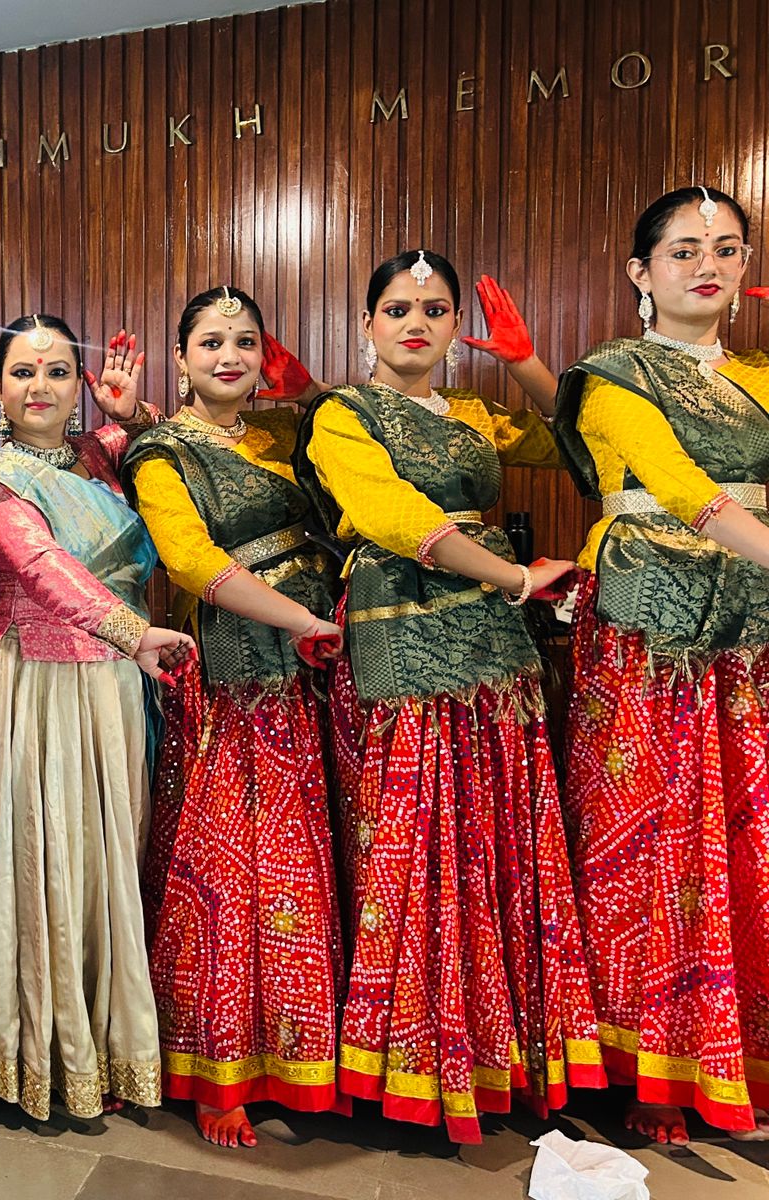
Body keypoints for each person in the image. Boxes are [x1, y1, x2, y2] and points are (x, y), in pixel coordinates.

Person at [293, 249, 604, 1143]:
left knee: (495, 832)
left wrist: (525, 365)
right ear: (365, 325)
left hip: (494, 641)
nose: (416, 323)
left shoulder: (477, 414)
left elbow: (577, 449)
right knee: (418, 840)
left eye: (434, 308)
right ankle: (415, 1066)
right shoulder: (341, 416)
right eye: (396, 308)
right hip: (402, 628)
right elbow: (393, 517)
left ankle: (501, 1052)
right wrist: (514, 575)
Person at [0, 314, 194, 1122]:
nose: (40, 386)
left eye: (56, 370)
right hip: (28, 687)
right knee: (31, 860)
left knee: (100, 860)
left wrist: (138, 415)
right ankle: (21, 1051)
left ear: (77, 382)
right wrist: (134, 631)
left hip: (112, 687)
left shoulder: (99, 457)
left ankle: (104, 1037)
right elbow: (43, 569)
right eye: (22, 372)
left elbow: (171, 454)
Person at [555, 185, 769, 1144]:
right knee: (649, 838)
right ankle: (643, 1066)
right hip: (649, 633)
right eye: (683, 250)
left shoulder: (761, 379)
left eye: (726, 247)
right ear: (640, 274)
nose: (707, 264)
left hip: (750, 630)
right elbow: (680, 489)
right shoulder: (613, 376)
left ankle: (733, 1052)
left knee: (741, 832)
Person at [126, 287, 343, 1148]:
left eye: (245, 342)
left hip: (318, 659)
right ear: (178, 360)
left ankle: (303, 1054)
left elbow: (350, 471)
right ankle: (219, 1070)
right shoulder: (160, 449)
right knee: (236, 862)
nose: (229, 356)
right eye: (210, 342)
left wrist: (311, 393)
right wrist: (297, 620)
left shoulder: (287, 437)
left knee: (310, 848)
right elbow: (188, 559)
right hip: (233, 660)